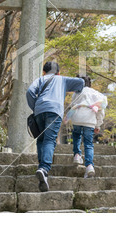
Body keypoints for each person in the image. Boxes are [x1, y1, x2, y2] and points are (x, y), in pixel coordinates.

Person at [26, 61, 84, 192]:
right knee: (49, 139)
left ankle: (41, 168)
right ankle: (44, 168)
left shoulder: (40, 79)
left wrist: (35, 107)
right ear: (58, 72)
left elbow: (30, 91)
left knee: (41, 139)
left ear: (44, 72)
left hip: (39, 110)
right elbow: (81, 83)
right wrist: (78, 90)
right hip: (54, 111)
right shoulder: (62, 79)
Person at [65, 75, 107, 178]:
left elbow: (72, 107)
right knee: (88, 144)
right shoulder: (96, 94)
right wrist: (98, 124)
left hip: (77, 118)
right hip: (89, 120)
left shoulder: (76, 94)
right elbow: (101, 110)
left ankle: (77, 155)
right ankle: (89, 166)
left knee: (76, 136)